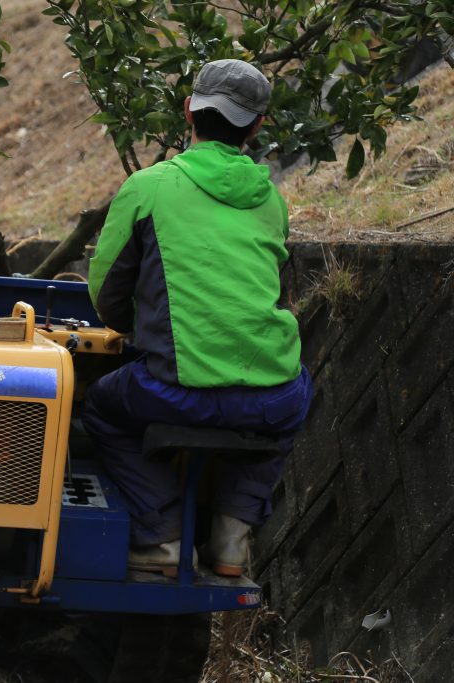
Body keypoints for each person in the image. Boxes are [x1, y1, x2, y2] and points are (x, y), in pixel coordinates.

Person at [82, 60, 313, 577]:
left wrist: (143, 330)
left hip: (173, 390)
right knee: (299, 397)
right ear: (256, 128)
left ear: (188, 111)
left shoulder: (149, 187)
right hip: (270, 396)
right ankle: (231, 536)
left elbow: (107, 295)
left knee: (100, 407)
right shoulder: (272, 200)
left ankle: (162, 536)